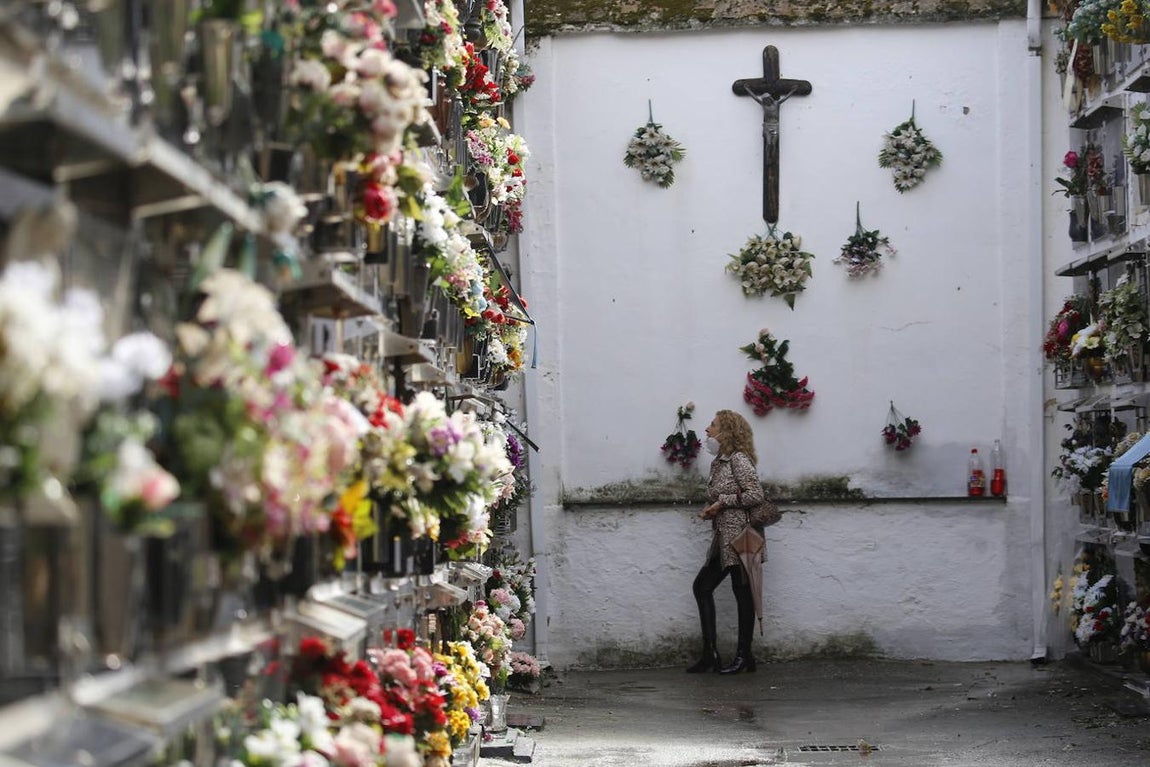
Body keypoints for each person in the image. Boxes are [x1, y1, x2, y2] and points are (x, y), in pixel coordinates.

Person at [687, 409, 765, 675]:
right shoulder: (718, 462)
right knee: (702, 587)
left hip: (741, 538)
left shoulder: (739, 460)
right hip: (723, 539)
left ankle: (745, 657)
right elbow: (720, 494)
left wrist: (723, 502)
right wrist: (711, 508)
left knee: (742, 594)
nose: (707, 430)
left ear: (727, 432)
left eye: (713, 425)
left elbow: (756, 494)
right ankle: (710, 654)